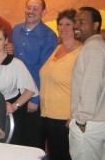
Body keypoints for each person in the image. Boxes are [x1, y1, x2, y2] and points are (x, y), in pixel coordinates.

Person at [11, 0, 58, 149]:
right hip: (16, 93)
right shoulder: (16, 30)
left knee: (33, 140)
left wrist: (35, 98)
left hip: (34, 95)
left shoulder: (49, 36)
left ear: (43, 12)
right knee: (16, 137)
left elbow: (45, 70)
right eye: (28, 7)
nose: (31, 11)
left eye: (35, 9)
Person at [0, 25, 38, 144]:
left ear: (6, 41)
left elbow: (30, 89)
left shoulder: (15, 64)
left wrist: (14, 106)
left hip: (8, 116)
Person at [39, 9, 82, 160]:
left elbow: (84, 87)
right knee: (55, 155)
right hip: (48, 116)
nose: (63, 27)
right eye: (60, 24)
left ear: (76, 27)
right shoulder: (58, 48)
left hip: (66, 119)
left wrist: (73, 115)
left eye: (68, 24)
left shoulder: (81, 52)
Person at [69, 7, 105, 160]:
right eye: (75, 21)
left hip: (88, 123)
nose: (76, 25)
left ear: (95, 25)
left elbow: (91, 86)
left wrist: (81, 121)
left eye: (82, 22)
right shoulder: (94, 46)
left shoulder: (94, 47)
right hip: (94, 121)